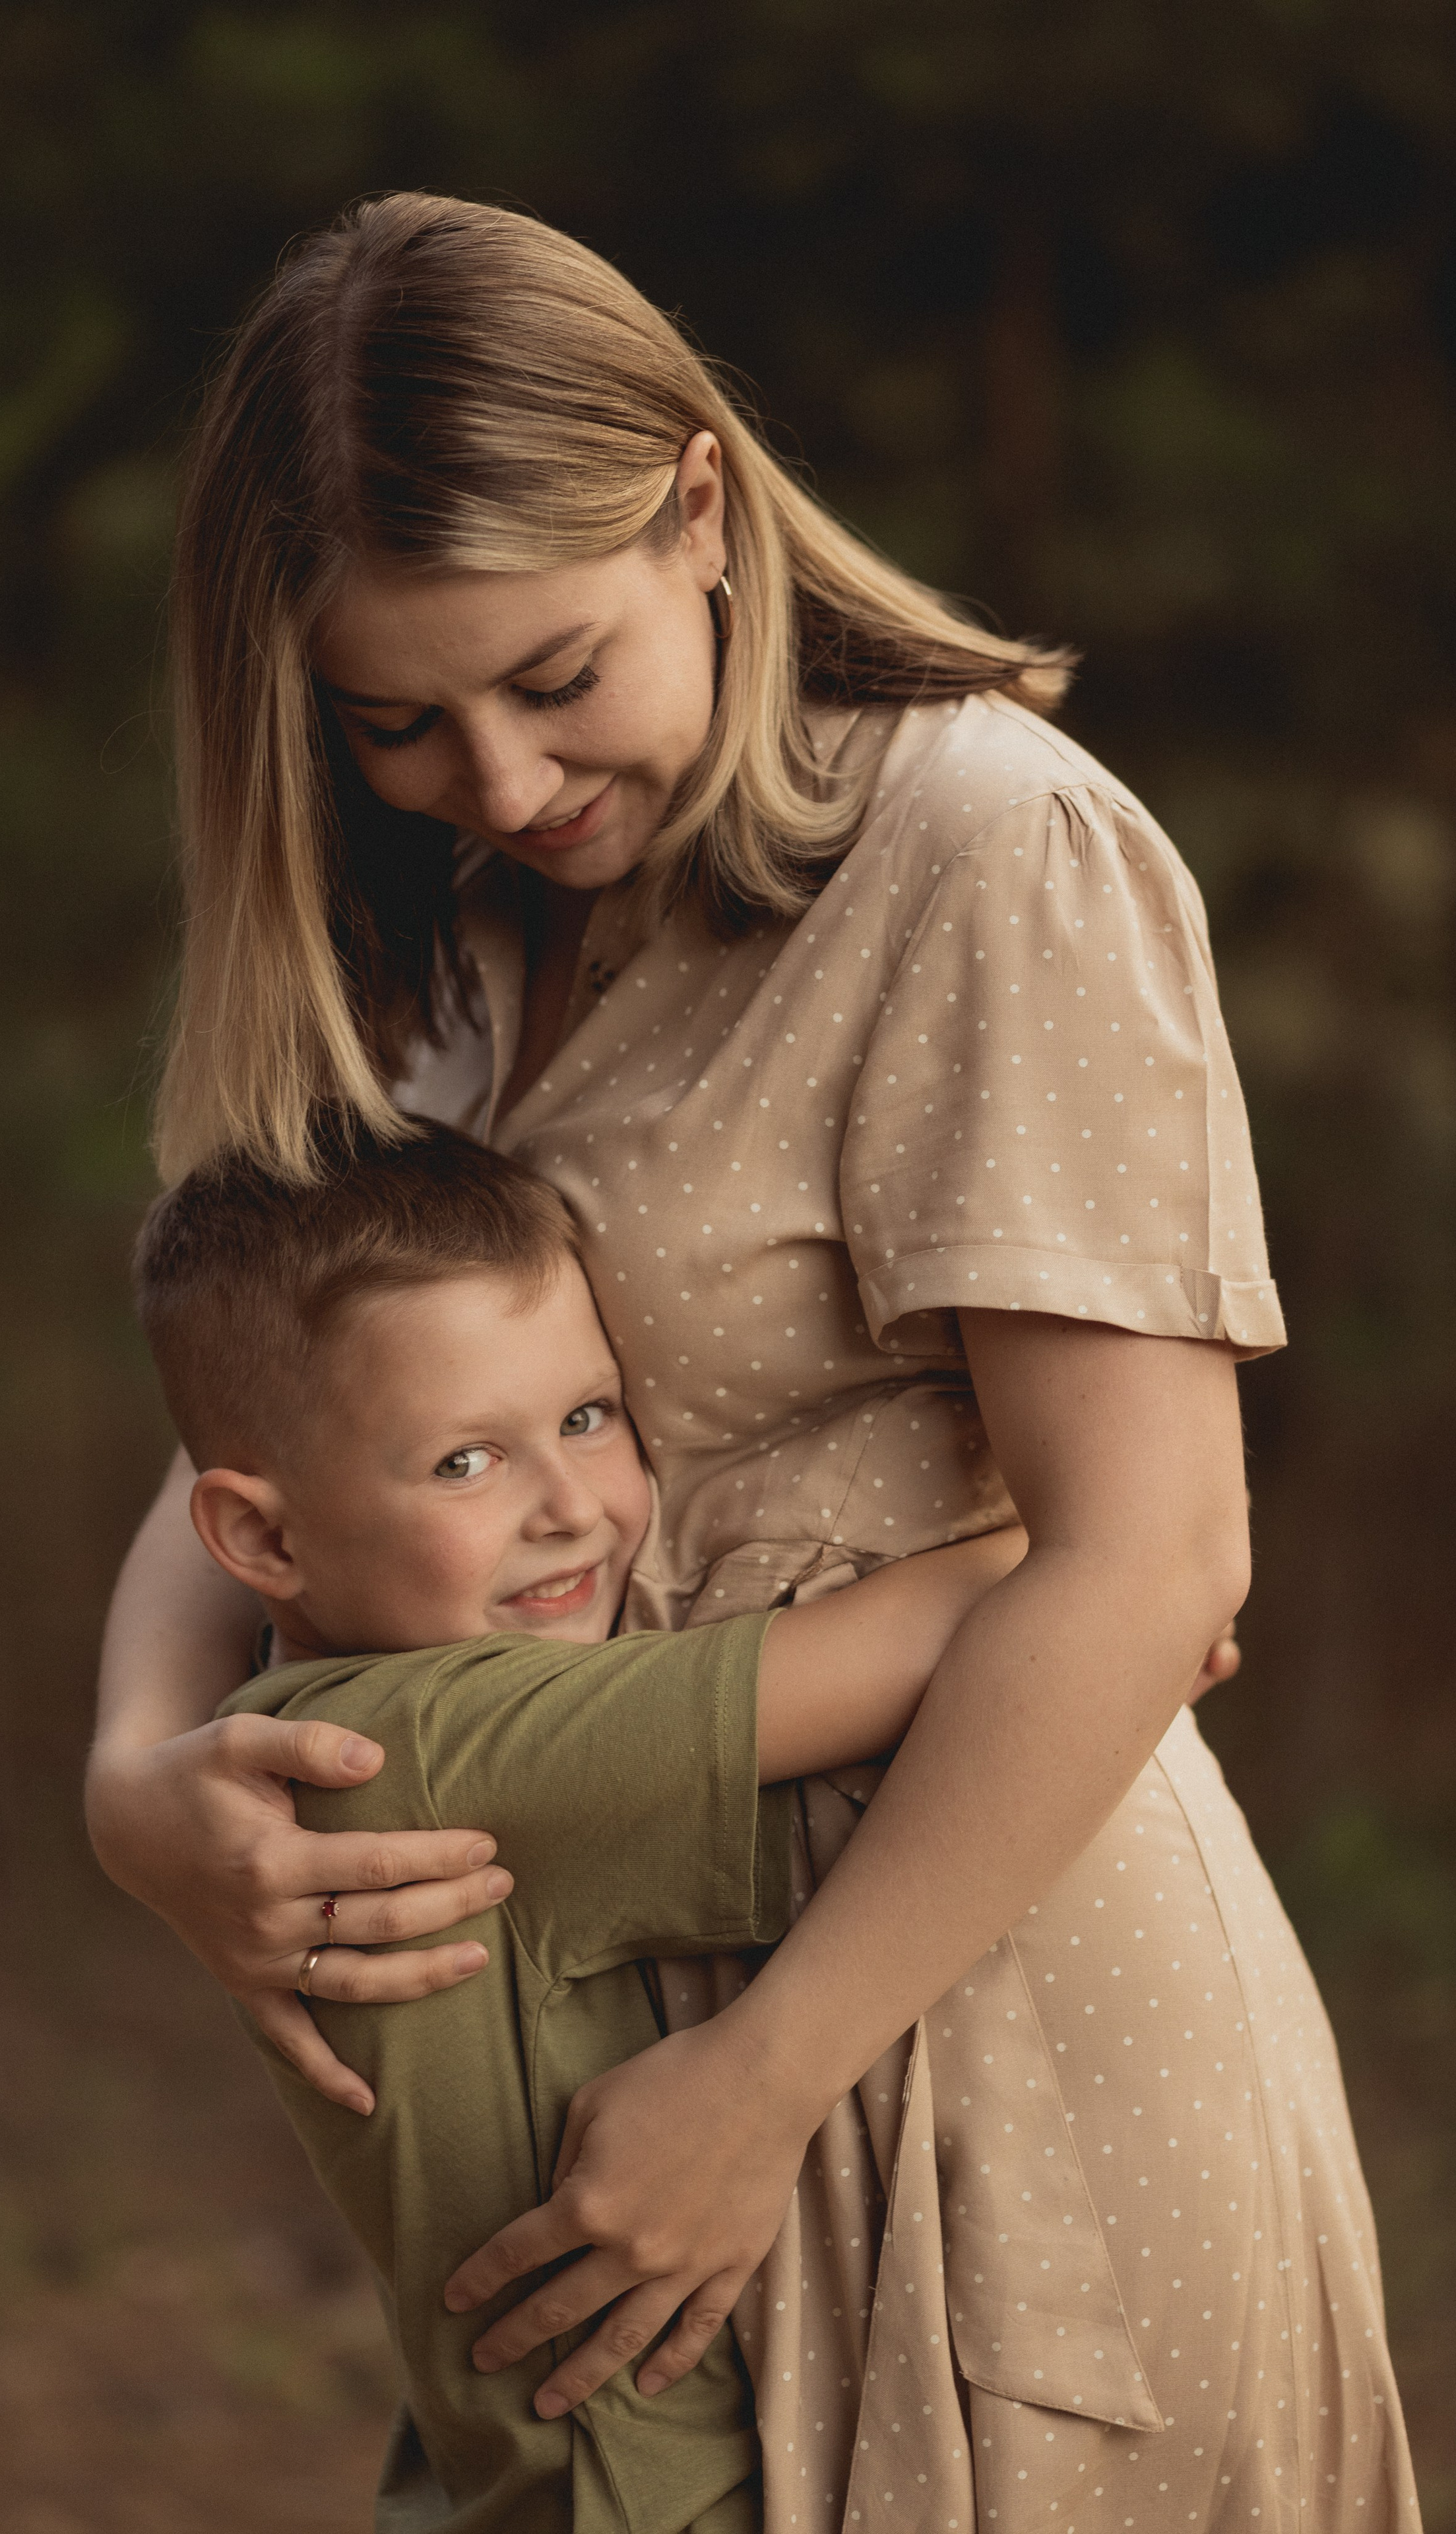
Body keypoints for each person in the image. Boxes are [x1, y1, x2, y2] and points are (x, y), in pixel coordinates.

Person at [86, 193, 1418, 2526]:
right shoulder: (459, 927)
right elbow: (293, 1428)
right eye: (400, 723)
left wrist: (772, 2077)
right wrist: (136, 1773)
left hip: (980, 2028)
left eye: (556, 676)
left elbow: (1149, 1561)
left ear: (698, 510)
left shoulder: (985, 850)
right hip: (606, 2038)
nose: (502, 778)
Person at [132, 1118, 1027, 2534]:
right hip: (650, 2499)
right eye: (463, 1464)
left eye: (587, 1417)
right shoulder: (427, 1741)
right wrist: (1113, 1579)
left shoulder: (299, 1709)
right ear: (266, 1540)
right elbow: (989, 1612)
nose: (568, 1508)